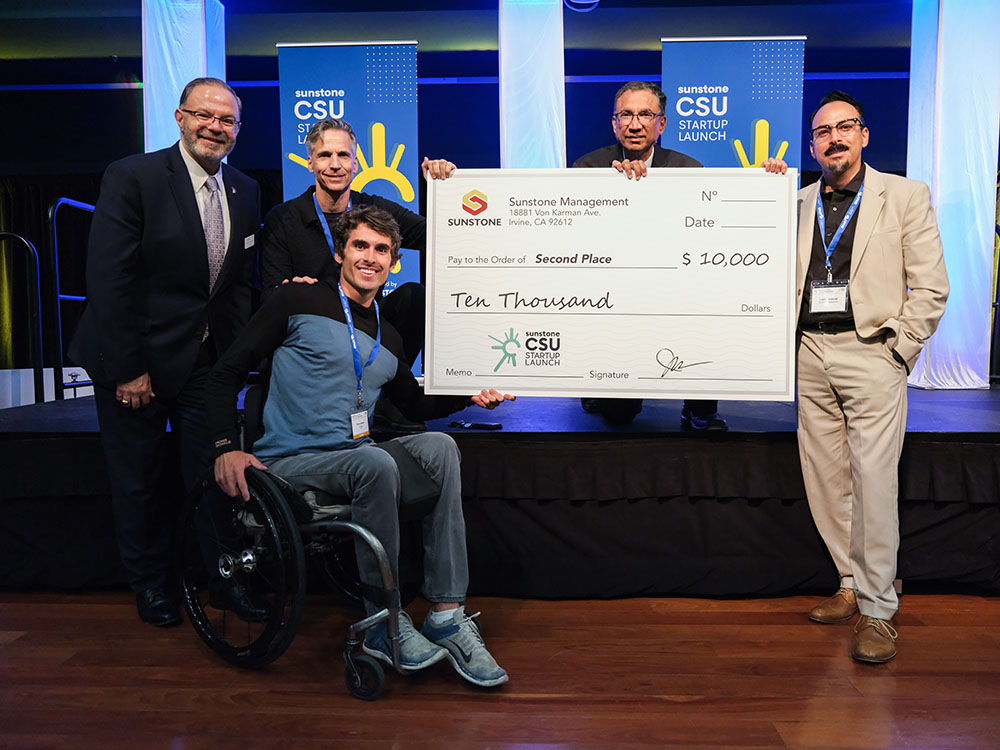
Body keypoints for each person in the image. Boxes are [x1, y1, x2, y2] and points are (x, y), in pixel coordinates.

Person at [206, 205, 514, 688]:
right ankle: (381, 621)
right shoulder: (296, 303)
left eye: (382, 250)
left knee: (439, 448)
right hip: (290, 461)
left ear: (394, 263)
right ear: (339, 253)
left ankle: (447, 614)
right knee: (374, 460)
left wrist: (469, 394)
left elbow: (413, 404)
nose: (370, 257)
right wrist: (226, 445)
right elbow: (225, 373)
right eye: (360, 246)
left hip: (354, 456)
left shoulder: (389, 336)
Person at [69, 77, 262, 627]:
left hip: (204, 364)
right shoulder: (134, 176)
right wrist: (130, 369)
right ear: (179, 117)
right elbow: (108, 281)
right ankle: (151, 586)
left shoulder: (244, 189)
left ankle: (224, 582)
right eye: (205, 115)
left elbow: (236, 286)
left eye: (226, 120)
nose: (215, 127)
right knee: (141, 480)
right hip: (135, 364)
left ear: (237, 129)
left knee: (214, 476)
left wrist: (236, 360)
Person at [764, 91, 949, 663]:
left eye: (846, 127)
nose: (835, 138)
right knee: (825, 477)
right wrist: (761, 193)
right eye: (823, 131)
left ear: (865, 135)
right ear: (813, 144)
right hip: (809, 351)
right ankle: (849, 582)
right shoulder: (794, 203)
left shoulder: (906, 195)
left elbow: (932, 286)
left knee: (873, 479)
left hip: (872, 351)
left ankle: (878, 611)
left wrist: (900, 349)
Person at [573, 81, 726, 430]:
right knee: (618, 416)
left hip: (673, 283)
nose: (635, 123)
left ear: (662, 124)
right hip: (614, 291)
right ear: (614, 124)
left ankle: (700, 407)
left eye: (645, 114)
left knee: (707, 304)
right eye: (626, 115)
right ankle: (601, 385)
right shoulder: (589, 168)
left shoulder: (690, 170)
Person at [258, 117, 454, 368]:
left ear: (355, 163)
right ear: (310, 163)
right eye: (325, 155)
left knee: (414, 297)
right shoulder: (283, 218)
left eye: (343, 155)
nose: (335, 165)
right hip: (314, 330)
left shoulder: (374, 209)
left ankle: (391, 391)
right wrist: (290, 290)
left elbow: (437, 235)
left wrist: (442, 189)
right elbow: (271, 293)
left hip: (367, 326)